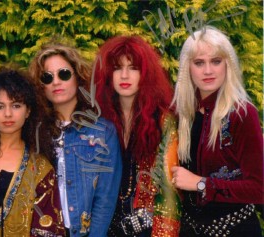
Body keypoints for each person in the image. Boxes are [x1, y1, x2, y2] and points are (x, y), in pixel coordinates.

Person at [171, 26, 264, 237]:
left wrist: (201, 183)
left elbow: (259, 188)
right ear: (188, 68)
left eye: (216, 61)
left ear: (227, 64)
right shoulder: (181, 113)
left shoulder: (242, 114)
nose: (208, 71)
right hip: (190, 230)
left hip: (236, 230)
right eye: (199, 63)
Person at [29, 43, 122, 237]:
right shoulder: (32, 131)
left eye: (63, 74)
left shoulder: (103, 132)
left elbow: (105, 198)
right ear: (41, 86)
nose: (56, 82)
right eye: (47, 77)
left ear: (77, 77)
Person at [94, 35, 182, 237]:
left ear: (146, 74)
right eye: (117, 68)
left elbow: (169, 191)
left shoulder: (163, 121)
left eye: (133, 68)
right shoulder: (98, 121)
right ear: (108, 74)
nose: (124, 75)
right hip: (105, 229)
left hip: (148, 231)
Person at [0, 67, 65, 236]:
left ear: (28, 111)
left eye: (16, 105)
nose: (8, 114)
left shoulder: (40, 168)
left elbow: (47, 230)